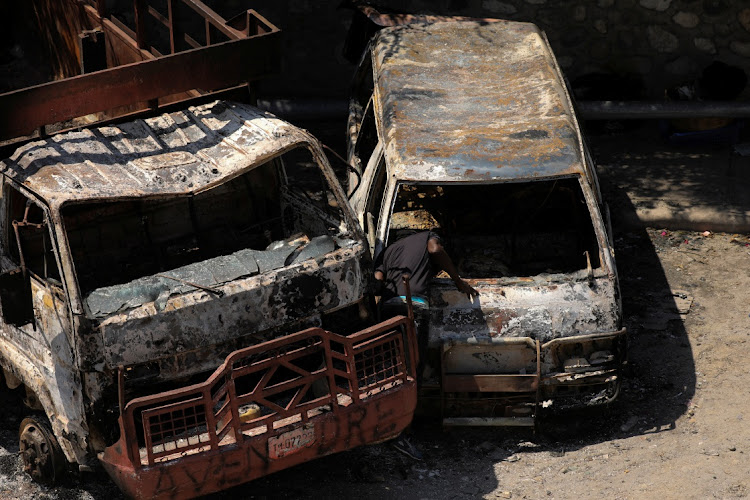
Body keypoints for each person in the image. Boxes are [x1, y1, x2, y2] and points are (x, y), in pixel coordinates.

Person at [374, 229, 477, 461]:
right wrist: (458, 281)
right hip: (413, 307)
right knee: (412, 370)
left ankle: (387, 425)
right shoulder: (428, 238)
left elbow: (378, 280)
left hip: (388, 308)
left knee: (390, 369)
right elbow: (435, 249)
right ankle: (403, 432)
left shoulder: (388, 250)